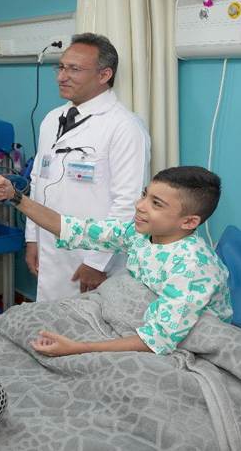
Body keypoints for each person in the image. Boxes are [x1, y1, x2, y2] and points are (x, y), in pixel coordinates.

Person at [0, 166, 231, 356]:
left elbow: (157, 340)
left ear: (189, 222)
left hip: (184, 341)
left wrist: (77, 349)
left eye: (156, 204)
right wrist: (15, 197)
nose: (140, 206)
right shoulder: (140, 234)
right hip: (132, 322)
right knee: (20, 324)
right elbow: (72, 228)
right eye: (145, 195)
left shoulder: (193, 267)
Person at [26, 33, 150, 302]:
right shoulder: (52, 119)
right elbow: (38, 182)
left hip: (94, 259)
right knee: (50, 321)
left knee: (88, 324)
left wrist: (97, 262)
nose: (62, 77)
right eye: (61, 67)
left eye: (74, 69)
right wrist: (32, 238)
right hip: (50, 249)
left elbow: (129, 204)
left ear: (104, 75)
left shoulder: (125, 127)